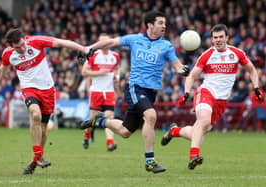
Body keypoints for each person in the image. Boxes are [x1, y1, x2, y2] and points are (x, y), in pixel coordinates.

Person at [79, 11, 190, 173]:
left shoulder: (166, 46)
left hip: (151, 92)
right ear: (150, 25)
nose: (164, 26)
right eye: (160, 23)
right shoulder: (135, 39)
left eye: (164, 23)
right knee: (151, 116)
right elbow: (110, 42)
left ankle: (99, 121)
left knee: (125, 131)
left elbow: (177, 65)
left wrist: (182, 70)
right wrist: (90, 48)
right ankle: (150, 161)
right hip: (135, 88)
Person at [161, 24, 264, 170]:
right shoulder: (207, 55)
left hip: (221, 101)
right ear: (211, 39)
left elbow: (252, 70)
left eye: (221, 37)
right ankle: (194, 156)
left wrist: (256, 87)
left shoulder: (237, 53)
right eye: (215, 37)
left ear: (227, 37)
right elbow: (192, 75)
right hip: (206, 92)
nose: (218, 40)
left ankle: (174, 131)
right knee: (203, 120)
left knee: (197, 132)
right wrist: (186, 92)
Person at [0, 28, 88, 175]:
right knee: (35, 115)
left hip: (47, 90)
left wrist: (83, 48)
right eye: (17, 47)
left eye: (22, 45)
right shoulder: (8, 54)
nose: (21, 49)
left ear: (24, 38)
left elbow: (60, 42)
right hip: (29, 89)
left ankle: (35, 159)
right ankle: (38, 156)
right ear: (10, 46)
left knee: (44, 130)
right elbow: (2, 71)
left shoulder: (35, 42)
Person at [81, 33, 120, 152]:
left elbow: (117, 69)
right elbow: (84, 72)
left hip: (109, 92)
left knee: (110, 118)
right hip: (96, 91)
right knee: (92, 120)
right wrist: (99, 73)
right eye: (101, 41)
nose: (104, 44)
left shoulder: (115, 56)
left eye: (106, 41)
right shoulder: (94, 55)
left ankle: (109, 143)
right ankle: (86, 137)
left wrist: (117, 77)